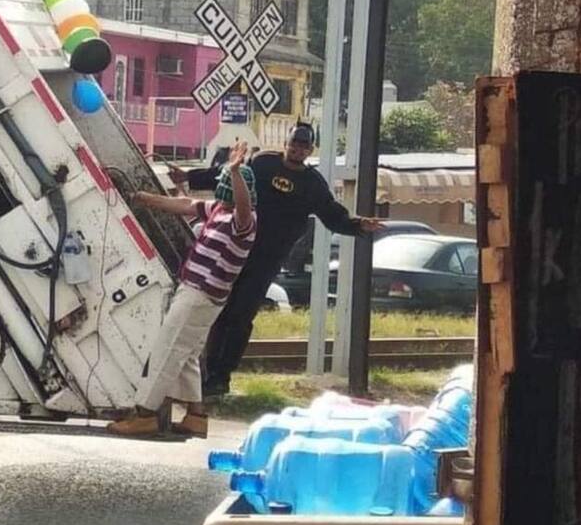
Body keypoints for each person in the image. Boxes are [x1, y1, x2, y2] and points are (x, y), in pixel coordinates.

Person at [183, 122, 384, 398]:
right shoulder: (263, 162)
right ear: (286, 143)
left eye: (304, 146)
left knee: (241, 317)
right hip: (235, 248)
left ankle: (220, 378)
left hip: (267, 260)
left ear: (310, 149)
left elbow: (333, 215)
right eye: (294, 143)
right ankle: (203, 374)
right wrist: (189, 177)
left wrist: (358, 224)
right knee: (218, 311)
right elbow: (227, 176)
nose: (298, 149)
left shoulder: (313, 184)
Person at [107, 140, 257, 439]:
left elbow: (243, 206)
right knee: (187, 354)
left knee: (167, 348)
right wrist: (146, 198)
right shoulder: (218, 210)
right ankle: (196, 416)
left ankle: (145, 414)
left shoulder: (245, 221)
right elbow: (185, 205)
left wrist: (236, 173)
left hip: (200, 295)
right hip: (203, 295)